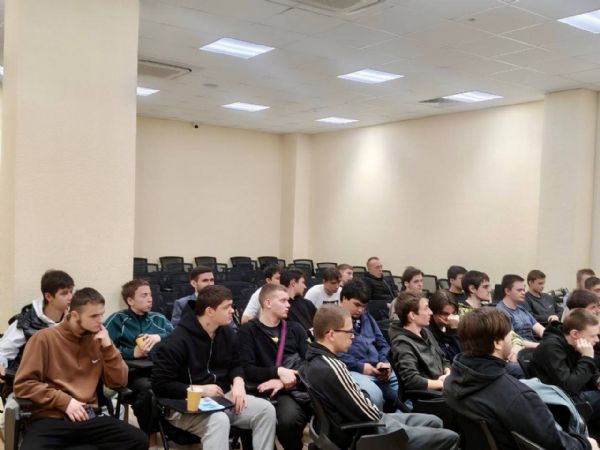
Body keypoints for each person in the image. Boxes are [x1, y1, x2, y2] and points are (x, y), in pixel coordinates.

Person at [303, 306, 459, 450]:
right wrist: (391, 420)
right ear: (331, 334)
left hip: (365, 424)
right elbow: (370, 415)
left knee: (435, 421)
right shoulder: (333, 367)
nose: (353, 337)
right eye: (349, 332)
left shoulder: (314, 358)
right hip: (370, 431)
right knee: (450, 437)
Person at [13, 288, 148, 450]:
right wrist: (65, 402)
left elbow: (119, 382)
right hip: (51, 418)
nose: (100, 321)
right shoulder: (44, 338)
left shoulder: (99, 340)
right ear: (75, 315)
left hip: (88, 417)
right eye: (94, 316)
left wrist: (108, 349)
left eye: (101, 314)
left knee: (138, 440)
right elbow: (23, 385)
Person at [444, 308, 596, 450]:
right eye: (509, 334)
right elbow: (556, 444)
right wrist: (586, 443)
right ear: (497, 343)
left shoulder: (453, 380)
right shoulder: (517, 396)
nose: (512, 337)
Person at [152, 285, 276, 449]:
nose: (232, 311)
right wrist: (201, 390)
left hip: (220, 399)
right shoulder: (176, 342)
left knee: (266, 410)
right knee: (218, 420)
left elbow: (236, 363)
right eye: (226, 307)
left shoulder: (227, 333)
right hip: (182, 405)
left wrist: (238, 383)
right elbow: (160, 385)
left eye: (231, 305)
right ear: (209, 311)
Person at [239, 284, 310, 450]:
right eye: (283, 301)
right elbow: (246, 368)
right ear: (268, 303)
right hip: (258, 389)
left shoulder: (295, 329)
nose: (288, 305)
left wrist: (284, 381)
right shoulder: (247, 331)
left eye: (288, 301)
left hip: (290, 389)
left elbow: (311, 363)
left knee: (289, 420)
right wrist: (277, 371)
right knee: (249, 420)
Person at [104, 279, 174, 441]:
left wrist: (159, 337)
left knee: (177, 386)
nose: (150, 299)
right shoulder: (118, 320)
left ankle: (174, 432)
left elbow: (178, 338)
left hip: (159, 371)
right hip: (132, 374)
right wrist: (132, 353)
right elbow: (103, 350)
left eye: (150, 295)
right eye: (144, 295)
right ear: (130, 300)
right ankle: (150, 437)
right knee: (147, 391)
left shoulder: (158, 319)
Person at [0, 270, 74, 388]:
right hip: (29, 384)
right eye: (64, 293)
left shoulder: (73, 320)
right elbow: (3, 351)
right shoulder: (26, 321)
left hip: (64, 383)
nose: (70, 297)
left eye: (71, 292)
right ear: (48, 296)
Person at [532, 308, 600, 426]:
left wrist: (597, 379)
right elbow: (570, 386)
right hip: (563, 402)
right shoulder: (551, 348)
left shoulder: (576, 343)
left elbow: (589, 371)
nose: (597, 340)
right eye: (593, 336)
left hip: (578, 392)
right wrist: (587, 357)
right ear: (575, 334)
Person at [338, 280, 398, 411]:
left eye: (364, 306)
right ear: (344, 298)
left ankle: (397, 418)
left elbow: (382, 342)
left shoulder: (366, 316)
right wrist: (360, 367)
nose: (360, 310)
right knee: (375, 396)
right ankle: (380, 422)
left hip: (377, 367)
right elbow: (333, 352)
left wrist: (383, 361)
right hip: (352, 370)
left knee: (400, 389)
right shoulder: (333, 318)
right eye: (357, 305)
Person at [390, 291, 450, 391]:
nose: (431, 312)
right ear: (412, 315)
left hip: (442, 388)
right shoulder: (402, 343)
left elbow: (444, 360)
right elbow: (411, 380)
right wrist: (441, 384)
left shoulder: (426, 332)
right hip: (428, 395)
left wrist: (447, 373)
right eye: (426, 308)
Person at [496, 274, 544, 347]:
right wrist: (540, 346)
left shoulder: (521, 309)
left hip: (533, 346)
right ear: (507, 291)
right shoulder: (501, 312)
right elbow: (512, 340)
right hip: (519, 349)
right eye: (519, 290)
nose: (523, 293)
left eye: (523, 290)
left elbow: (539, 329)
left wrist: (551, 338)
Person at [428, 290, 461, 363]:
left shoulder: (457, 325)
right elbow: (452, 358)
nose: (450, 317)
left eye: (454, 313)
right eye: (445, 314)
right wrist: (454, 331)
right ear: (433, 313)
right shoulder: (428, 332)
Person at [281, 269, 316, 337]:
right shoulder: (281, 307)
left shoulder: (307, 303)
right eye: (302, 282)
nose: (305, 286)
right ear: (293, 283)